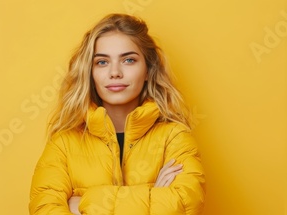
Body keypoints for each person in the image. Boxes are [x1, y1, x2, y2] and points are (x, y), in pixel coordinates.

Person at [29, 13, 205, 215]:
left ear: (148, 70)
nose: (115, 72)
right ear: (90, 71)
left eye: (128, 60)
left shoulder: (174, 137)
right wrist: (153, 194)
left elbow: (184, 206)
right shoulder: (63, 144)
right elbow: (44, 210)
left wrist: (83, 204)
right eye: (102, 62)